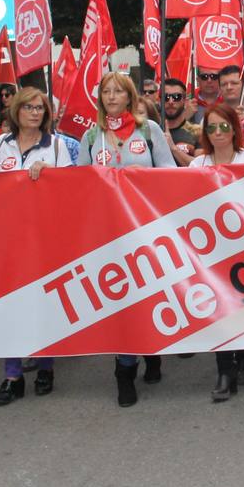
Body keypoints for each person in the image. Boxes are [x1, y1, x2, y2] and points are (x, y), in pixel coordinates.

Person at [77, 71, 176, 406]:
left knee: (148, 294)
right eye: (106, 91)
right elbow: (77, 184)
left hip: (145, 228)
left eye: (118, 91)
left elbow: (169, 175)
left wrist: (141, 178)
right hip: (109, 233)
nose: (112, 96)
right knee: (120, 298)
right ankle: (124, 367)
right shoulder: (92, 137)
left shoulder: (149, 131)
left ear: (130, 97)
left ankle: (152, 352)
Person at [0, 88, 73, 405]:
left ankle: (46, 366)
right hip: (6, 237)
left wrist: (50, 175)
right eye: (29, 107)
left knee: (41, 304)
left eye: (40, 108)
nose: (35, 113)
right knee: (9, 307)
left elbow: (70, 190)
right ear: (17, 111)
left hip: (43, 237)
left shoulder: (57, 146)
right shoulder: (2, 144)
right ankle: (12, 376)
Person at [186, 104, 244, 401]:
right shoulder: (197, 165)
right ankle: (224, 370)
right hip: (211, 247)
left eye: (223, 126)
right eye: (211, 127)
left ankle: (243, 355)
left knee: (243, 303)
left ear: (234, 128)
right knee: (219, 306)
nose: (218, 133)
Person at [160, 78, 201, 167]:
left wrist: (173, 148)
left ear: (185, 101)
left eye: (176, 97)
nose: (171, 102)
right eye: (166, 97)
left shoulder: (198, 132)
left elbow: (200, 167)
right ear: (159, 100)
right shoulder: (152, 131)